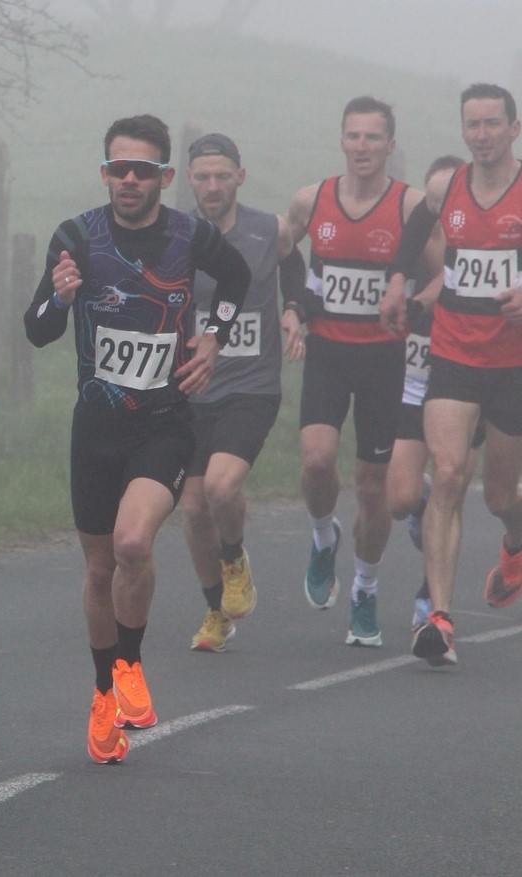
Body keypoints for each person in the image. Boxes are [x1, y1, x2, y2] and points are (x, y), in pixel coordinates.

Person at [24, 114, 249, 764]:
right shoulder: (77, 237)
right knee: (99, 568)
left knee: (131, 542)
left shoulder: (190, 235)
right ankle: (103, 693)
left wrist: (214, 337)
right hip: (95, 429)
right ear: (105, 174)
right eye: (119, 168)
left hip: (164, 422)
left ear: (164, 177)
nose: (129, 179)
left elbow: (234, 280)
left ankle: (129, 660)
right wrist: (61, 300)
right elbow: (37, 328)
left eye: (142, 170)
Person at [380, 83, 522, 666]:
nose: (482, 135)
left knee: (497, 494)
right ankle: (438, 615)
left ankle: (514, 542)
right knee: (450, 471)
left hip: (512, 362)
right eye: (473, 125)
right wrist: (395, 278)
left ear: (513, 129)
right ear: (463, 130)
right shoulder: (448, 186)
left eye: (493, 124)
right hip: (455, 353)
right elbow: (415, 230)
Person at [285, 96, 426, 648]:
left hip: (383, 359)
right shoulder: (312, 198)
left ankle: (364, 587)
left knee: (372, 486)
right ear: (341, 140)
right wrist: (296, 305)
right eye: (353, 136)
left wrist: (409, 301)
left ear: (391, 145)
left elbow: (446, 273)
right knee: (317, 459)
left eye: (373, 138)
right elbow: (282, 251)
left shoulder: (410, 207)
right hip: (327, 351)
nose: (362, 147)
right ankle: (324, 537)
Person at [178, 133, 310, 652]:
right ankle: (217, 612)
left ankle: (233, 558)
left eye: (222, 176)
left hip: (251, 385)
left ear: (240, 177)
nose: (213, 186)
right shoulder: (178, 234)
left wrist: (295, 309)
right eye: (203, 177)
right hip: (192, 386)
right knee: (191, 512)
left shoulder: (268, 229)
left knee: (219, 487)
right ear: (190, 180)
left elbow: (296, 269)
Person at [383, 155, 485, 632]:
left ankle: (431, 600)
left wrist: (423, 301)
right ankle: (422, 507)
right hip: (416, 381)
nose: (442, 205)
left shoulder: (478, 240)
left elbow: (455, 275)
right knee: (400, 498)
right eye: (434, 199)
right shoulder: (413, 244)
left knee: (454, 482)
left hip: (466, 378)